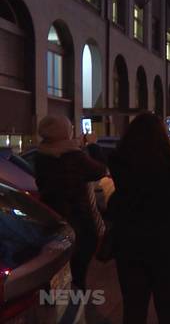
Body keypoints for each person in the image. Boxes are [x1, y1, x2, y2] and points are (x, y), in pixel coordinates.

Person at [107, 113, 170, 324]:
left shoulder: (119, 160)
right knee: (168, 310)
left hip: (130, 243)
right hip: (167, 245)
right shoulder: (168, 162)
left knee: (134, 308)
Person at [34, 115, 107, 289]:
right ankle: (75, 306)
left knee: (56, 271)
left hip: (52, 219)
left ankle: (55, 302)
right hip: (79, 221)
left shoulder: (41, 155)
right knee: (78, 272)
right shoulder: (74, 155)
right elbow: (100, 170)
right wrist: (93, 145)